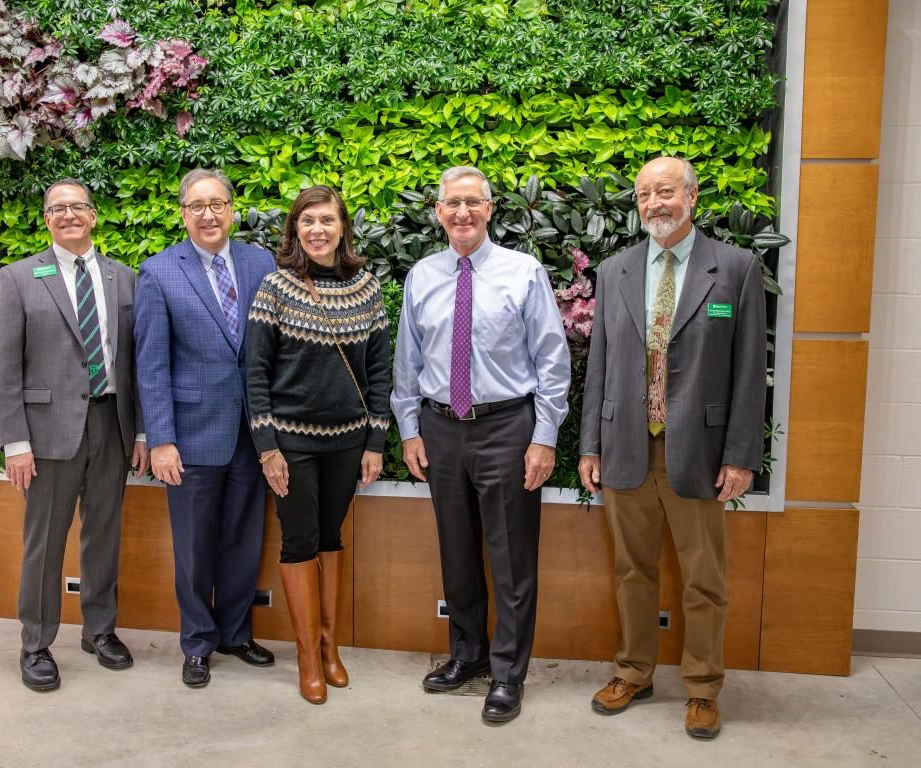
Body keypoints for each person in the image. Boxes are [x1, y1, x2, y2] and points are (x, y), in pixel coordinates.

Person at [579, 156, 766, 740]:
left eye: (665, 192)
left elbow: (747, 370)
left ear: (692, 197)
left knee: (704, 577)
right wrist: (590, 444)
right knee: (632, 570)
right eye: (643, 195)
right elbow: (601, 364)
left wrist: (741, 454)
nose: (654, 203)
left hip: (702, 454)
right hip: (626, 447)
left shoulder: (734, 268)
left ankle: (704, 687)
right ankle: (633, 671)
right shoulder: (614, 271)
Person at [391, 166, 571, 724]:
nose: (462, 212)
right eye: (452, 204)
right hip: (441, 428)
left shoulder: (523, 272)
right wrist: (409, 429)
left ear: (490, 209)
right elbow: (408, 362)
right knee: (458, 551)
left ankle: (508, 673)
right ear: (438, 212)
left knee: (511, 558)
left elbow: (552, 359)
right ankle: (466, 655)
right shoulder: (421, 275)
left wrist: (543, 437)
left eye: (473, 202)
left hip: (506, 429)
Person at [0, 178, 149, 692]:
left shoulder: (125, 279)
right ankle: (35, 643)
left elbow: (138, 362)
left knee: (103, 533)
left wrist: (141, 431)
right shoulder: (19, 278)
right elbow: (3, 367)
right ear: (46, 219)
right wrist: (15, 442)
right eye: (58, 209)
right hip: (48, 432)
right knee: (45, 541)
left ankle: (100, 631)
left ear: (94, 215)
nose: (68, 215)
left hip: (111, 423)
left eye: (77, 206)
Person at [246, 185, 390, 704]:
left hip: (348, 443)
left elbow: (379, 372)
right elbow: (256, 374)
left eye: (327, 220)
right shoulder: (275, 289)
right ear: (295, 230)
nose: (318, 230)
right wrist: (268, 446)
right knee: (299, 541)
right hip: (292, 444)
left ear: (342, 228)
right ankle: (307, 655)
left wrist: (375, 441)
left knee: (332, 538)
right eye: (307, 221)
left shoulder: (367, 289)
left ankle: (331, 648)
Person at [134, 168, 275, 688]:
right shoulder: (159, 272)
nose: (208, 214)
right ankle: (197, 644)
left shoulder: (261, 264)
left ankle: (235, 634)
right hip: (191, 436)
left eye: (217, 204)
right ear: (183, 213)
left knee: (244, 538)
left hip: (253, 433)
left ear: (232, 209)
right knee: (194, 547)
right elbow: (150, 365)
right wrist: (162, 439)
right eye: (197, 206)